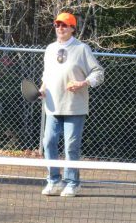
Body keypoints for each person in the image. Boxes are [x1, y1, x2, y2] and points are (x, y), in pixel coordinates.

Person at [39, 12, 104, 197]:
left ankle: (73, 183)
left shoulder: (82, 49)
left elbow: (98, 72)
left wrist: (83, 83)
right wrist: (42, 89)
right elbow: (47, 74)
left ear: (73, 28)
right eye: (58, 25)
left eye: (65, 25)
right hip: (52, 106)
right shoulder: (50, 48)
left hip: (75, 107)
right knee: (49, 142)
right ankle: (54, 181)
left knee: (71, 146)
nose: (60, 28)